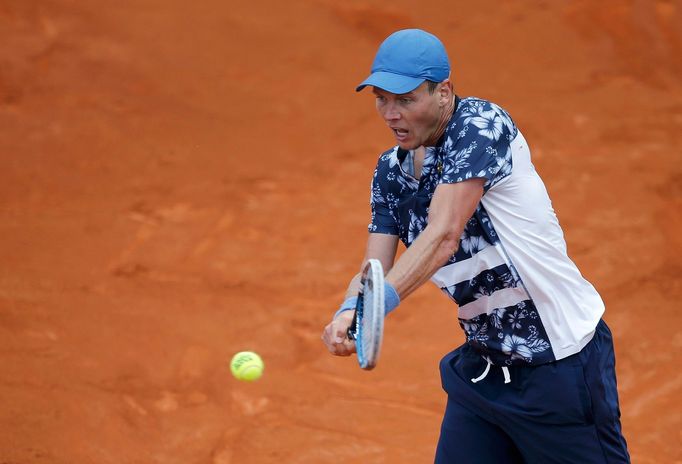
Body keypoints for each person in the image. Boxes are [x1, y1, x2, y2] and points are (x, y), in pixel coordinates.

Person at [320, 29, 630, 463]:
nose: (390, 113)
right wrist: (350, 310)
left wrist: (376, 306)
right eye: (381, 99)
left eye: (405, 100)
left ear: (443, 91)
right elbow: (373, 268)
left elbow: (444, 234)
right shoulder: (390, 172)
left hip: (560, 367)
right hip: (483, 373)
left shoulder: (480, 126)